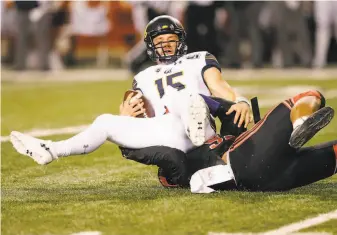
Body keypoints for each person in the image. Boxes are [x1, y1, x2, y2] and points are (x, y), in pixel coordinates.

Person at [122, 90, 336, 192]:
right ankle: (300, 124)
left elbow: (229, 113)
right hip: (244, 161)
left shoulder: (207, 138)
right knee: (311, 95)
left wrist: (240, 103)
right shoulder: (172, 158)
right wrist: (126, 135)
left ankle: (301, 126)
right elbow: (169, 157)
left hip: (271, 181)